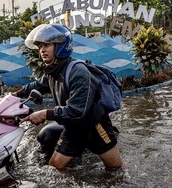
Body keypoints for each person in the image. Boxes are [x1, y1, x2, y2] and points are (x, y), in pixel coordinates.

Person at [14, 24, 123, 171]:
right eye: (40, 46)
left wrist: (44, 113)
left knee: (115, 170)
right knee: (54, 168)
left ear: (61, 46)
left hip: (95, 126)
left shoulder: (78, 71)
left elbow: (76, 111)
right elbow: (39, 85)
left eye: (47, 45)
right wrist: (14, 95)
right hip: (73, 127)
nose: (42, 50)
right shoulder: (54, 70)